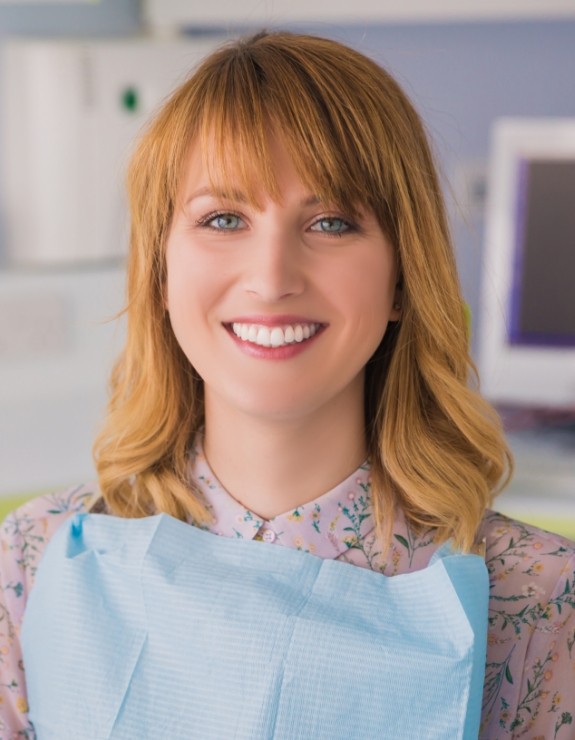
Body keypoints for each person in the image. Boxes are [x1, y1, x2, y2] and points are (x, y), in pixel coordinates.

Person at [1, 30, 574, 740]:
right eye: (223, 219)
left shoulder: (535, 599)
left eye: (331, 222)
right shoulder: (36, 559)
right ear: (159, 273)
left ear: (401, 277)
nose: (272, 278)